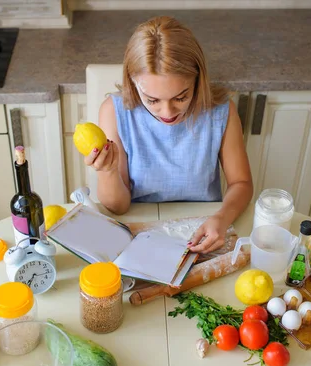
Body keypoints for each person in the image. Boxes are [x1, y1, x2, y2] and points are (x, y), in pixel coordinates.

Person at [84, 16, 253, 254]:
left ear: (197, 79)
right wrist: (108, 170)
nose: (167, 112)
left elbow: (241, 183)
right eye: (152, 100)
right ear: (133, 84)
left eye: (181, 97)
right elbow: (118, 207)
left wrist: (223, 218)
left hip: (203, 227)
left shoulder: (221, 111)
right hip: (141, 231)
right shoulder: (115, 112)